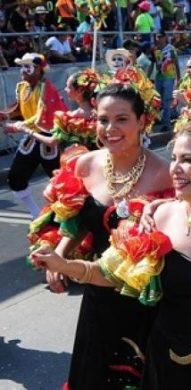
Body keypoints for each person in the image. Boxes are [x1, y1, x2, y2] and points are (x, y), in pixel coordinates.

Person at [31, 102, 191, 390]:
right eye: (174, 158)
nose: (176, 169)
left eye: (188, 160)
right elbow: (112, 273)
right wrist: (64, 265)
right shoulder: (159, 216)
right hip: (167, 361)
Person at [28, 69, 169, 390]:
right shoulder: (84, 165)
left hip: (144, 298)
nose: (110, 129)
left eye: (121, 119)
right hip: (96, 290)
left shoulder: (164, 174)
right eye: (103, 120)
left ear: (142, 121)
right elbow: (75, 222)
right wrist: (58, 257)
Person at [0, 53, 67, 217]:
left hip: (48, 137)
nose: (23, 70)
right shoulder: (22, 86)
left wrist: (17, 127)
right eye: (22, 66)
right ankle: (35, 212)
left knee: (60, 182)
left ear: (39, 71)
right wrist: (5, 115)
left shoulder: (47, 88)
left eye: (28, 67)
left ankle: (66, 215)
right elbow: (18, 108)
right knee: (16, 177)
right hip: (30, 136)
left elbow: (41, 116)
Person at [25, 69, 101, 151]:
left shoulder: (71, 118)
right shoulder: (102, 114)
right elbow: (59, 132)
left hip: (77, 161)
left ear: (80, 91)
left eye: (68, 87)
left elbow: (52, 142)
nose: (65, 89)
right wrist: (39, 124)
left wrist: (27, 130)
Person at [153, 32, 181, 132]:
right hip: (159, 76)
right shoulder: (156, 50)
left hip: (169, 76)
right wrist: (159, 63)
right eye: (157, 37)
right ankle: (158, 120)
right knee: (158, 101)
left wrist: (179, 77)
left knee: (167, 100)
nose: (159, 39)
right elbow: (157, 65)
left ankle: (167, 124)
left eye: (160, 36)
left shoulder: (171, 49)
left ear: (165, 37)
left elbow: (176, 62)